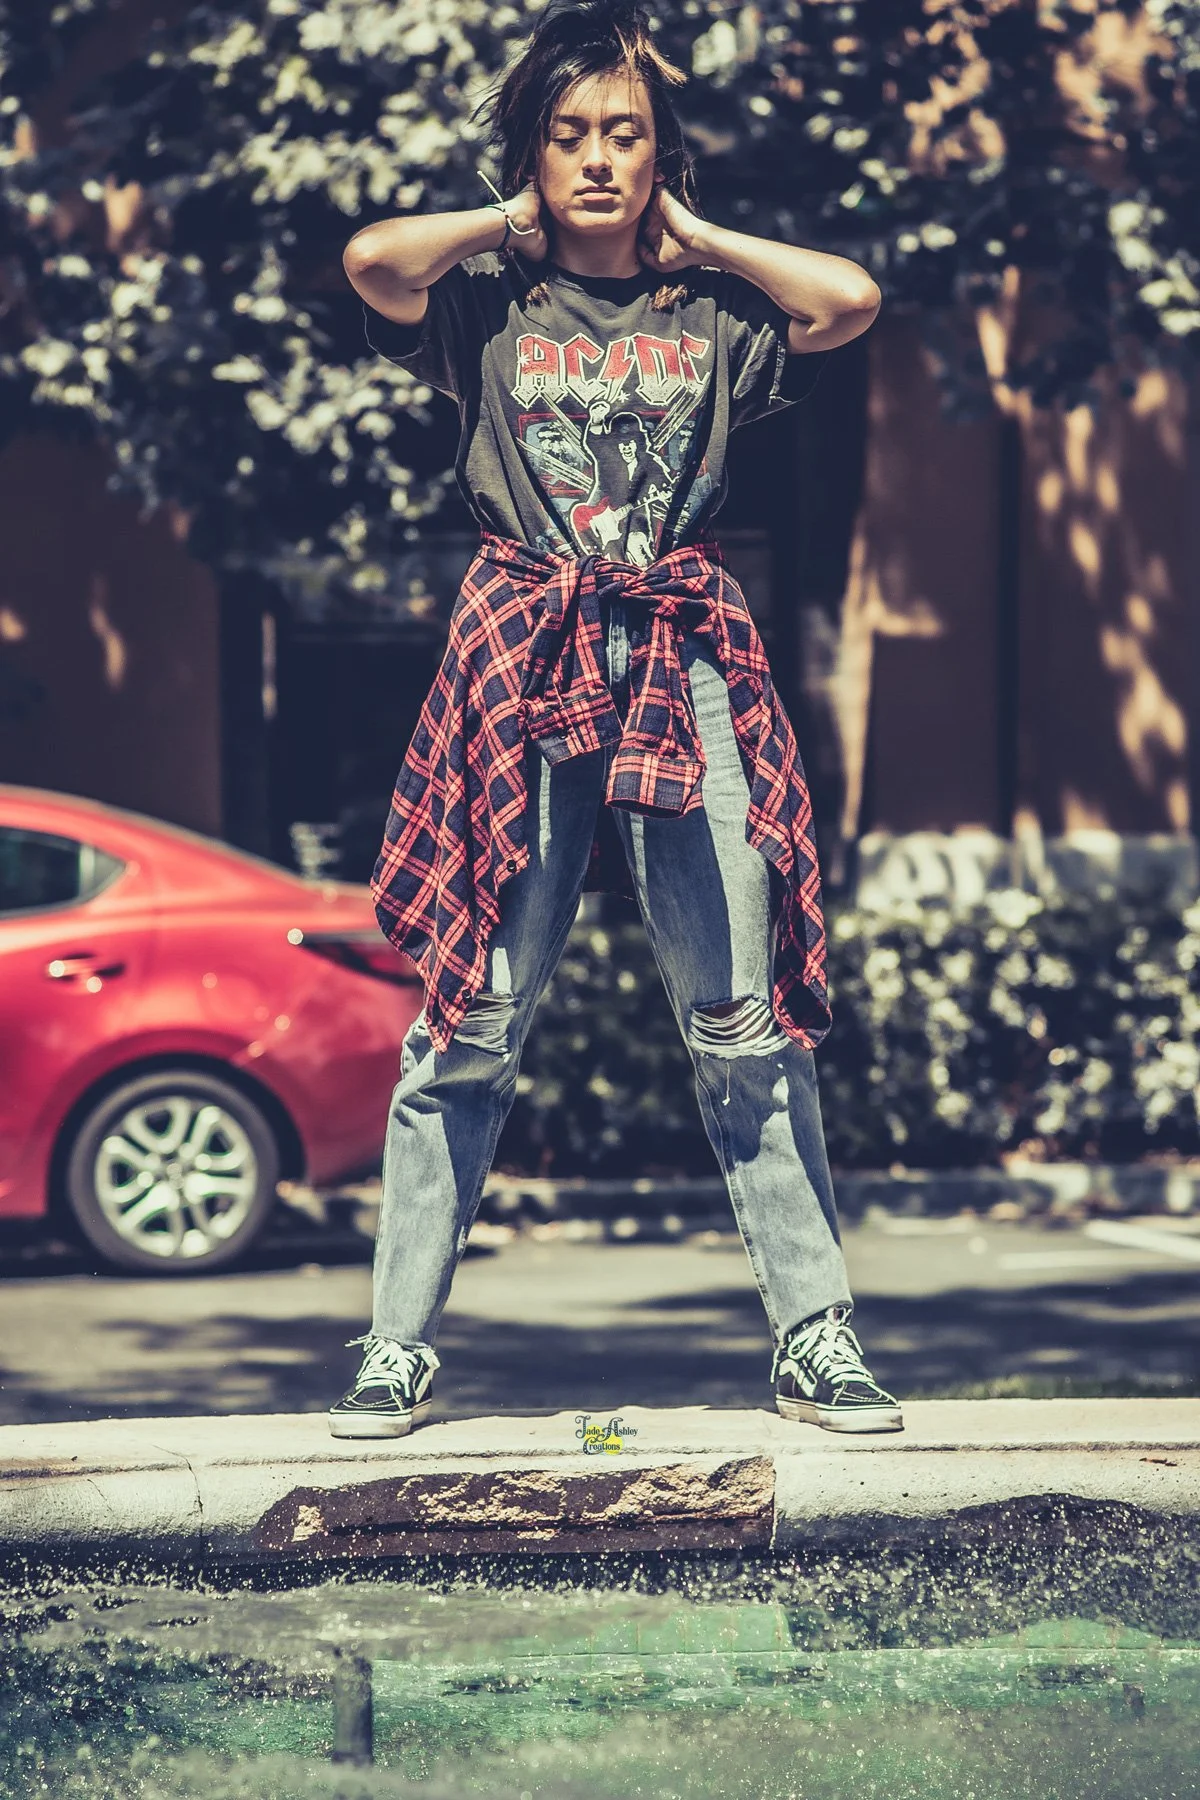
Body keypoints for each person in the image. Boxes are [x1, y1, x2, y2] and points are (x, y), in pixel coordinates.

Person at [331, 0, 901, 1439]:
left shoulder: (712, 315)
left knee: (742, 1015)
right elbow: (372, 262)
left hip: (682, 660)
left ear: (660, 155)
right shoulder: (487, 306)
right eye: (570, 134)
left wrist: (698, 238)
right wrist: (507, 219)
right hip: (525, 660)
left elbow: (847, 302)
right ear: (534, 153)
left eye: (624, 135)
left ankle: (816, 1337)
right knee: (474, 1016)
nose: (598, 159)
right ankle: (394, 1347)